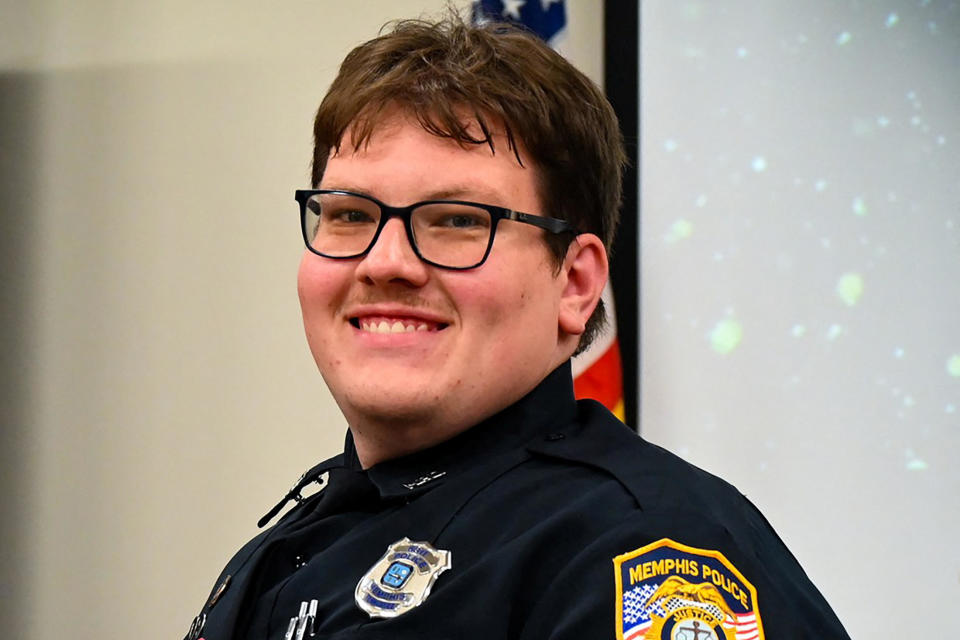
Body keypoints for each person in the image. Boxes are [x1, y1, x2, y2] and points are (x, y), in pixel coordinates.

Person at [183, 14, 849, 640]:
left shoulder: (642, 549)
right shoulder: (296, 539)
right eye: (350, 215)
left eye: (458, 221)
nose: (385, 262)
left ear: (577, 282)